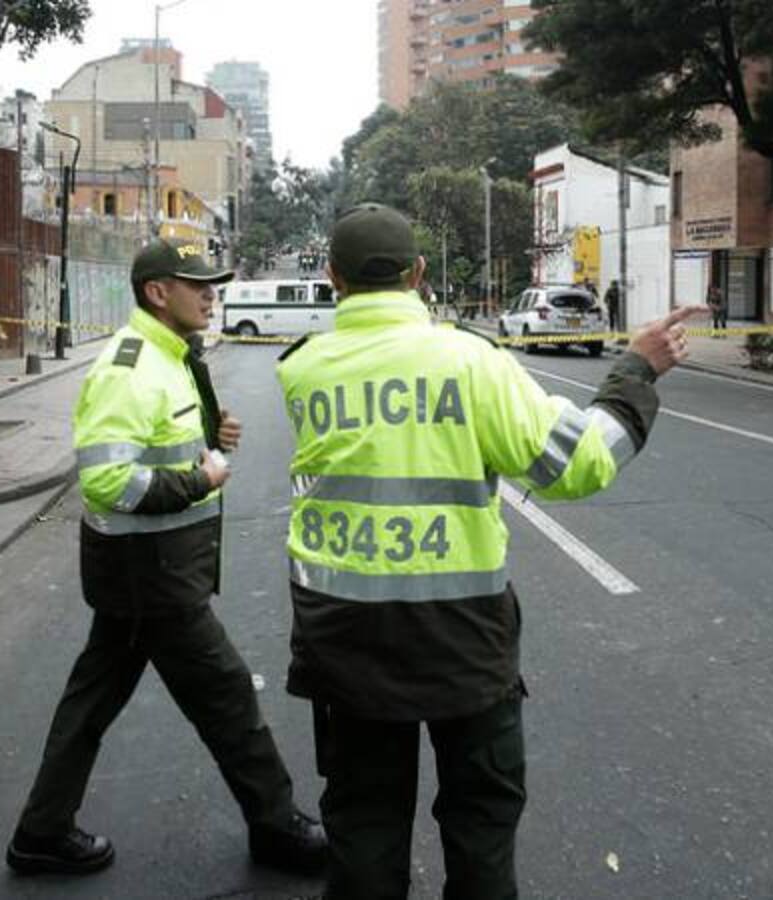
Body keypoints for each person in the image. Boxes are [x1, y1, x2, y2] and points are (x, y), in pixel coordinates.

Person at [274, 203, 701, 900]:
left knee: (364, 826)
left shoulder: (304, 369)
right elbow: (577, 464)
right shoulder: (470, 361)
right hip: (462, 638)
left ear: (332, 277)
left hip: (342, 636)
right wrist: (634, 373)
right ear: (417, 274)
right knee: (480, 822)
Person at [6, 239, 327, 878]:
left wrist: (212, 436)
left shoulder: (170, 356)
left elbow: (161, 441)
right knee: (228, 695)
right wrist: (201, 480)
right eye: (198, 284)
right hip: (150, 578)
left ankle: (41, 832)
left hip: (143, 574)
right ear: (158, 292)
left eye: (214, 284)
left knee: (91, 702)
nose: (213, 294)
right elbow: (109, 482)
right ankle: (276, 827)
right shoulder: (130, 368)